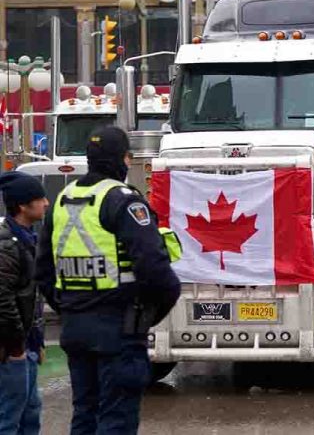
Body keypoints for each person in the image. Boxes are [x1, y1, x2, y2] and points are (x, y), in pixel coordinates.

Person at [36, 126, 181, 435]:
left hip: (76, 329)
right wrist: (147, 318)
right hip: (120, 331)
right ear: (124, 159)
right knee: (116, 419)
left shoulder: (63, 199)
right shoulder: (124, 201)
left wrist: (69, 309)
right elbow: (158, 273)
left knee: (85, 413)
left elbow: (44, 272)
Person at [0, 172, 49, 435]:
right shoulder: (7, 243)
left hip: (25, 346)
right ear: (22, 206)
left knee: (30, 414)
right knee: (9, 417)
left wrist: (36, 342)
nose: (46, 203)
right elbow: (3, 300)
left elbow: (31, 298)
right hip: (11, 351)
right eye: (40, 198)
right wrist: (16, 346)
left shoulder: (28, 238)